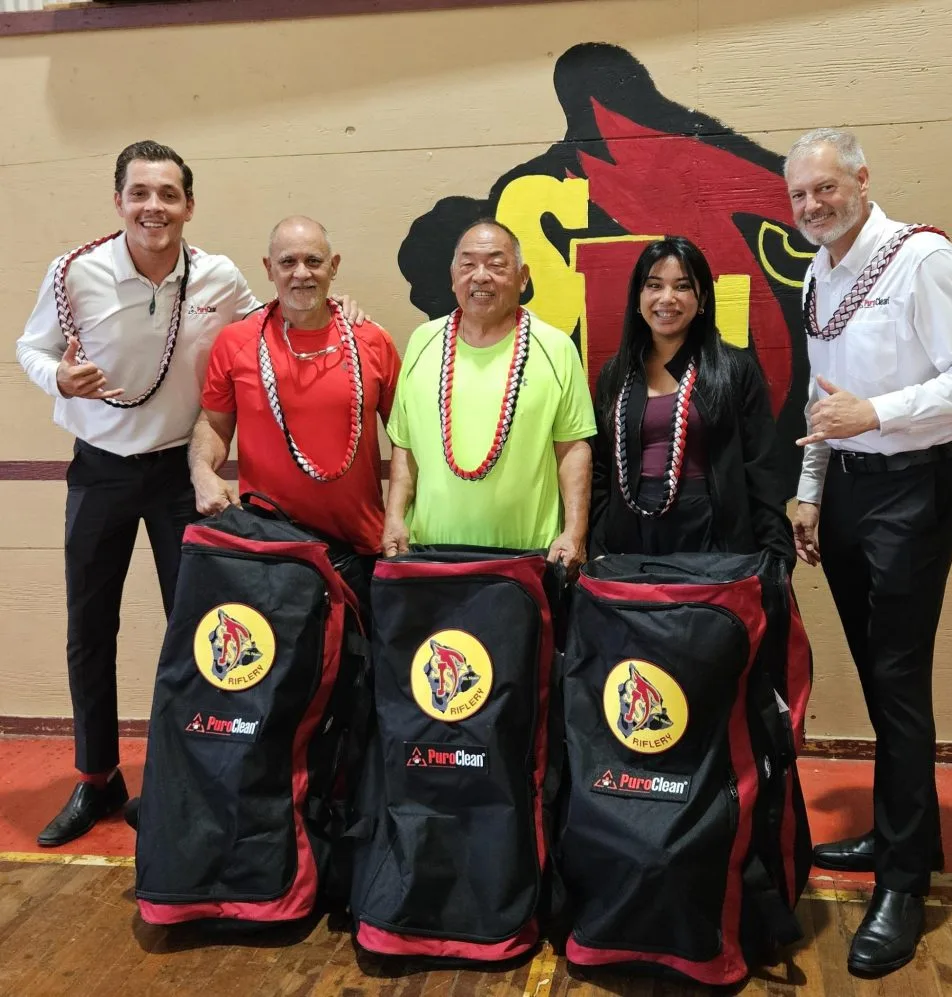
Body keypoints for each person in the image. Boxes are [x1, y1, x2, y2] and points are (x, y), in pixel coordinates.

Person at [15, 141, 364, 848]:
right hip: (101, 467)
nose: (154, 207)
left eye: (168, 194)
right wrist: (58, 378)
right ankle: (96, 776)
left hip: (180, 472)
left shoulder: (216, 275)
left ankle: (181, 774)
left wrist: (336, 304)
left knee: (197, 630)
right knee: (91, 627)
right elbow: (32, 347)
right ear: (118, 201)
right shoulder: (73, 272)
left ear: (189, 206)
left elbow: (271, 317)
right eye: (140, 192)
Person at [785, 128, 952, 977]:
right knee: (881, 673)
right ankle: (899, 825)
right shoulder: (820, 270)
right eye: (799, 195)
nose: (812, 206)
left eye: (824, 189)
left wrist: (876, 414)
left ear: (861, 180)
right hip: (846, 484)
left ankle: (904, 880)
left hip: (914, 485)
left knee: (900, 679)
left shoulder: (921, 260)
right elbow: (822, 396)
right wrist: (811, 485)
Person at [190, 215, 399, 604]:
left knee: (359, 664)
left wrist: (401, 516)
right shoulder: (235, 342)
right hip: (271, 549)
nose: (301, 273)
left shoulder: (371, 340)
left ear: (333, 267)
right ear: (269, 269)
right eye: (288, 262)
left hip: (362, 548)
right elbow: (214, 425)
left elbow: (405, 440)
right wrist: (201, 471)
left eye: (313, 262)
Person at [381, 220, 595, 572]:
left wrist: (575, 533)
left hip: (525, 560)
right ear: (453, 277)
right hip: (429, 555)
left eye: (497, 265)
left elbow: (572, 449)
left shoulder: (555, 349)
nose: (480, 276)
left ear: (523, 277)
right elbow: (405, 445)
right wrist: (394, 517)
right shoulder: (423, 342)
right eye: (467, 265)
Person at [590, 237, 794, 567]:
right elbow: (601, 469)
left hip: (712, 531)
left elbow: (762, 468)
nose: (666, 298)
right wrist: (597, 545)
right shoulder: (617, 373)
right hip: (631, 532)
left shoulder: (734, 369)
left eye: (682, 286)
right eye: (654, 285)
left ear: (701, 299)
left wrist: (777, 555)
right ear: (638, 297)